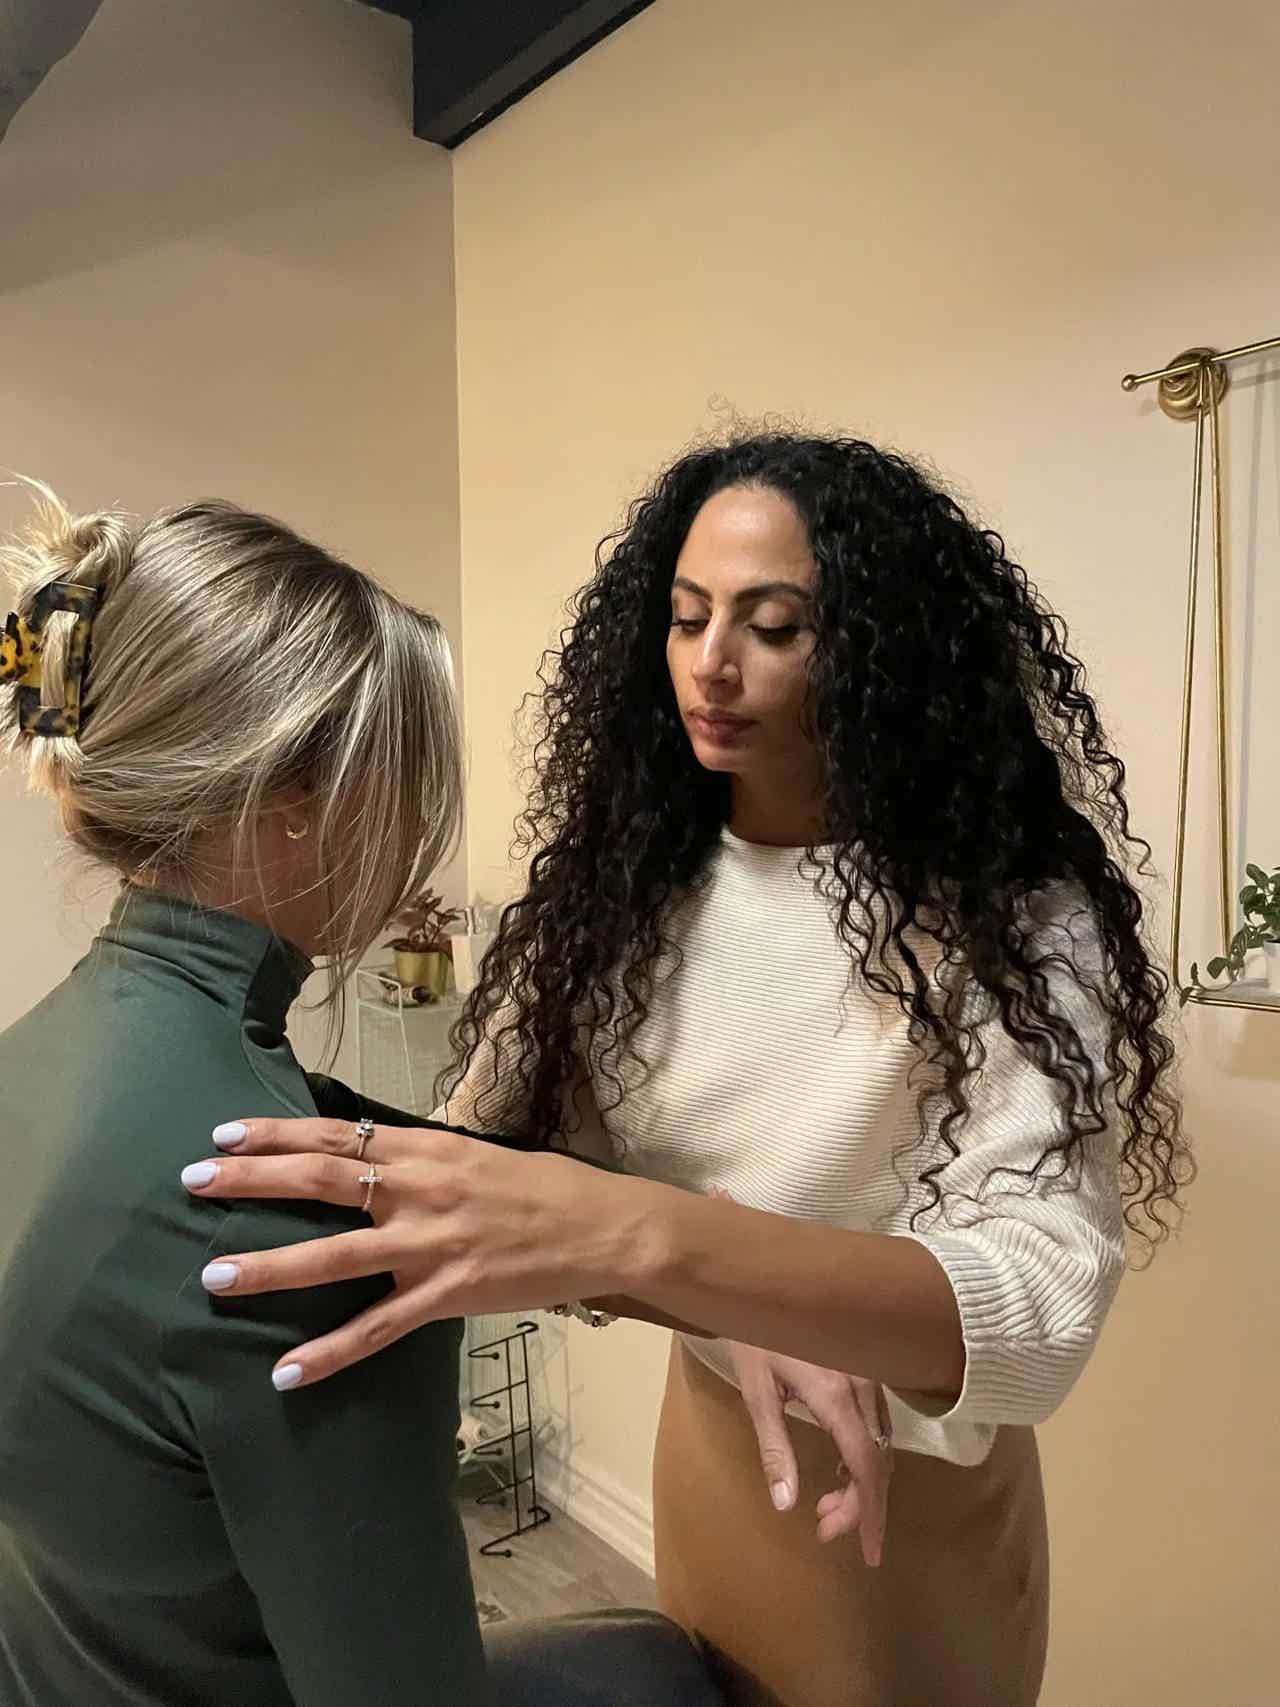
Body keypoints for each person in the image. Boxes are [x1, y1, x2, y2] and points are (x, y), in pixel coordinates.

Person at [181, 432, 1190, 1707]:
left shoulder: (1013, 920)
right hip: (720, 1454)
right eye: (686, 615)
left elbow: (1037, 1316)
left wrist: (672, 1251)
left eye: (774, 626)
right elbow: (513, 1178)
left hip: (898, 1512)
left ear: (888, 654)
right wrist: (713, 1292)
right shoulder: (622, 892)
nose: (710, 664)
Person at [0, 486, 722, 1707]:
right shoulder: (291, 1213)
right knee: (666, 1669)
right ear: (289, 799)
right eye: (394, 782)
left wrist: (687, 1273)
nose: (410, 841)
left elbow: (418, 1145)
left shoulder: (37, 1056)